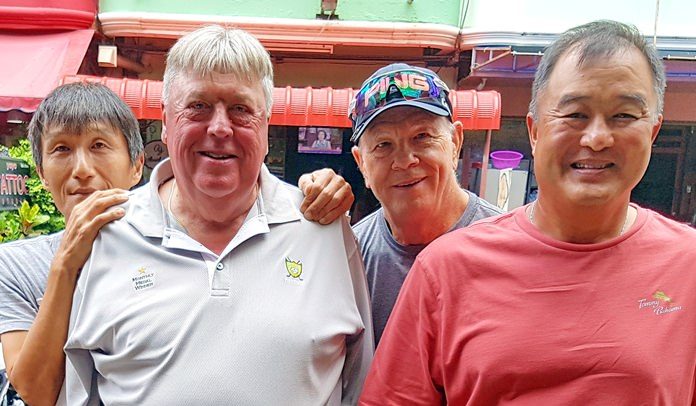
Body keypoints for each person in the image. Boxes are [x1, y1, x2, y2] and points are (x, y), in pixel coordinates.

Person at [360, 20, 696, 404]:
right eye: (575, 114)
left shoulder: (688, 266)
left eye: (624, 116)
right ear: (534, 132)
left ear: (652, 131)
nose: (597, 138)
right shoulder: (445, 269)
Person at [61, 25, 372, 405]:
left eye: (241, 109)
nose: (220, 128)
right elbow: (77, 392)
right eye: (198, 106)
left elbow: (362, 384)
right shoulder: (109, 234)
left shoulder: (321, 227)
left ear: (266, 124)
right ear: (166, 121)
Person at [0, 82, 145, 406]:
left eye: (99, 145)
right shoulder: (15, 266)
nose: (81, 170)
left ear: (136, 165)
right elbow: (36, 392)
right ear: (41, 173)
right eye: (62, 149)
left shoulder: (171, 251)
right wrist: (65, 265)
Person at [345, 63, 502, 345]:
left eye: (422, 137)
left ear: (455, 142)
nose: (405, 161)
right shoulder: (350, 257)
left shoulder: (506, 249)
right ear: (361, 164)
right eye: (383, 145)